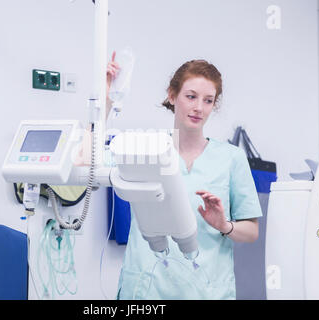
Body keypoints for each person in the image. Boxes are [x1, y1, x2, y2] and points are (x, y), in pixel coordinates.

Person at [107, 52, 262, 300]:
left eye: (208, 100)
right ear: (172, 95)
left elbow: (252, 232)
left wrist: (224, 225)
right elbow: (87, 161)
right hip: (147, 292)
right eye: (191, 96)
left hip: (207, 290)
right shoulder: (145, 148)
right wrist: (106, 99)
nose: (199, 107)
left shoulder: (231, 158)